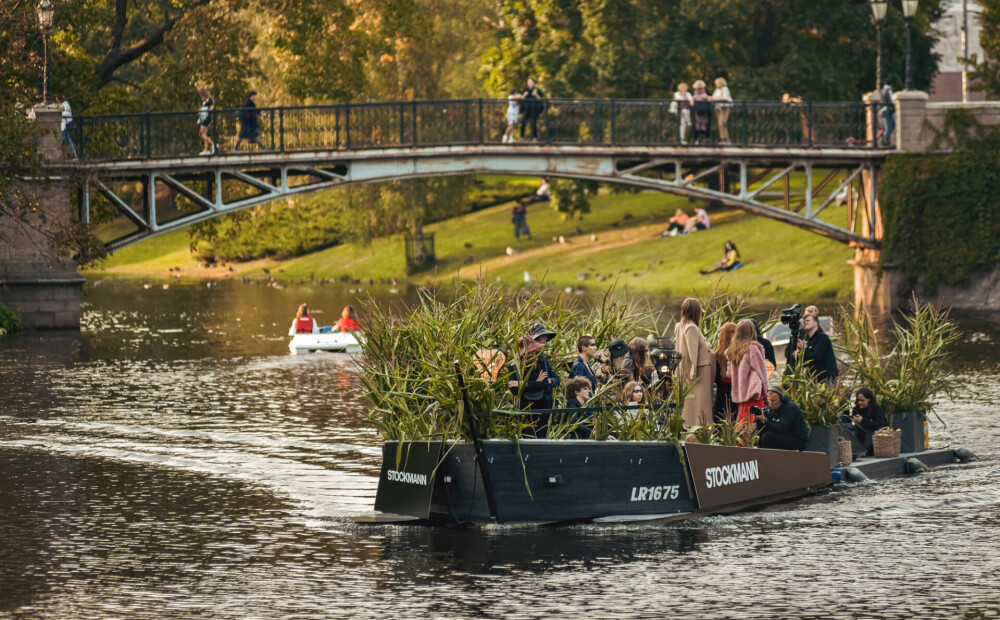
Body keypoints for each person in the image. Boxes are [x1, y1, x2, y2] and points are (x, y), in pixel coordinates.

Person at [675, 298, 715, 427]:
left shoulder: (680, 325)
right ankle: (701, 428)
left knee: (691, 401)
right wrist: (693, 369)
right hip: (699, 369)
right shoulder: (691, 327)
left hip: (689, 368)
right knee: (701, 401)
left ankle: (689, 427)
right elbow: (693, 350)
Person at [728, 319, 768, 429]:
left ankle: (738, 444)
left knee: (742, 422)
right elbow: (762, 372)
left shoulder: (733, 350)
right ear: (752, 331)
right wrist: (766, 393)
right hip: (753, 392)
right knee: (754, 424)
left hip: (741, 393)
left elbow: (729, 373)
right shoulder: (753, 349)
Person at [755, 386, 808, 450]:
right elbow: (767, 427)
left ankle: (768, 458)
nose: (771, 403)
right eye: (769, 400)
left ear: (782, 399)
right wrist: (758, 420)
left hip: (797, 440)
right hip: (785, 436)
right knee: (760, 436)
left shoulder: (790, 407)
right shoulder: (772, 407)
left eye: (773, 400)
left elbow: (781, 429)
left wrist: (765, 420)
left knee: (767, 437)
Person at [841, 386, 889, 455]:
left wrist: (862, 420)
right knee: (847, 426)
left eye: (862, 400)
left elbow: (879, 426)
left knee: (870, 431)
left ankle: (863, 451)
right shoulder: (856, 409)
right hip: (862, 433)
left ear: (869, 399)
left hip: (876, 434)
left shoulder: (876, 408)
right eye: (858, 400)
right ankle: (852, 450)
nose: (860, 402)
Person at [795, 313, 839, 385]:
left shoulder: (823, 338)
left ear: (816, 323)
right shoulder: (808, 340)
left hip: (827, 380)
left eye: (808, 320)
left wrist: (804, 348)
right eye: (804, 321)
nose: (805, 322)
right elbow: (808, 359)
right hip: (814, 381)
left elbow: (816, 356)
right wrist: (798, 353)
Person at [713, 322, 737, 422]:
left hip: (722, 390)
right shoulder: (739, 352)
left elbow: (715, 377)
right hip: (736, 389)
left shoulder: (717, 354)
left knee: (719, 417)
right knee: (735, 417)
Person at [54, 94, 77, 158]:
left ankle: (69, 153)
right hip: (64, 124)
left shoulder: (65, 105)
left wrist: (58, 115)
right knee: (67, 139)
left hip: (65, 124)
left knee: (64, 138)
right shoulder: (64, 105)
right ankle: (73, 153)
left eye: (58, 100)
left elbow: (66, 114)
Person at [711, 77, 733, 143]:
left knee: (722, 123)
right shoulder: (717, 90)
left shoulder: (725, 89)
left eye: (717, 83)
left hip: (724, 108)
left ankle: (726, 139)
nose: (716, 84)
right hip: (718, 108)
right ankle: (722, 139)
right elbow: (713, 98)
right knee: (719, 124)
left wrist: (714, 99)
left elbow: (725, 98)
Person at [197, 87, 216, 155]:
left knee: (201, 134)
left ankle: (213, 144)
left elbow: (211, 107)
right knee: (204, 133)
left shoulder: (209, 100)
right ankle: (206, 149)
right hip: (204, 117)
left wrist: (205, 112)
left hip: (206, 118)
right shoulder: (206, 100)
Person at [880, 79, 895, 148]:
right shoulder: (888, 90)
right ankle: (885, 140)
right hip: (888, 109)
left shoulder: (882, 91)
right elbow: (892, 100)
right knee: (890, 125)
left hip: (883, 109)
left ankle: (885, 138)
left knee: (888, 125)